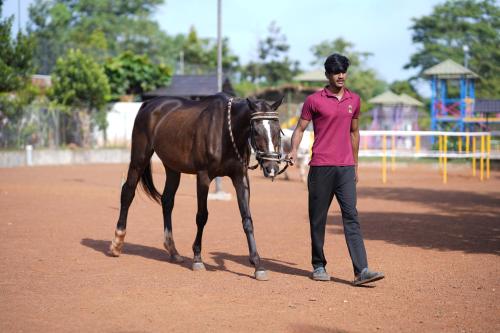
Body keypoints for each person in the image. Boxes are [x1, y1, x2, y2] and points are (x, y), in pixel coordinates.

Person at [289, 53, 384, 286]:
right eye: (335, 72)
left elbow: (354, 132)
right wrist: (293, 150)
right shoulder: (314, 100)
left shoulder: (355, 100)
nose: (340, 75)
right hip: (321, 167)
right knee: (318, 218)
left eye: (343, 71)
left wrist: (356, 164)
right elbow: (300, 129)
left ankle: (361, 270)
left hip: (345, 168)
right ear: (327, 75)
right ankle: (319, 264)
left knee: (351, 216)